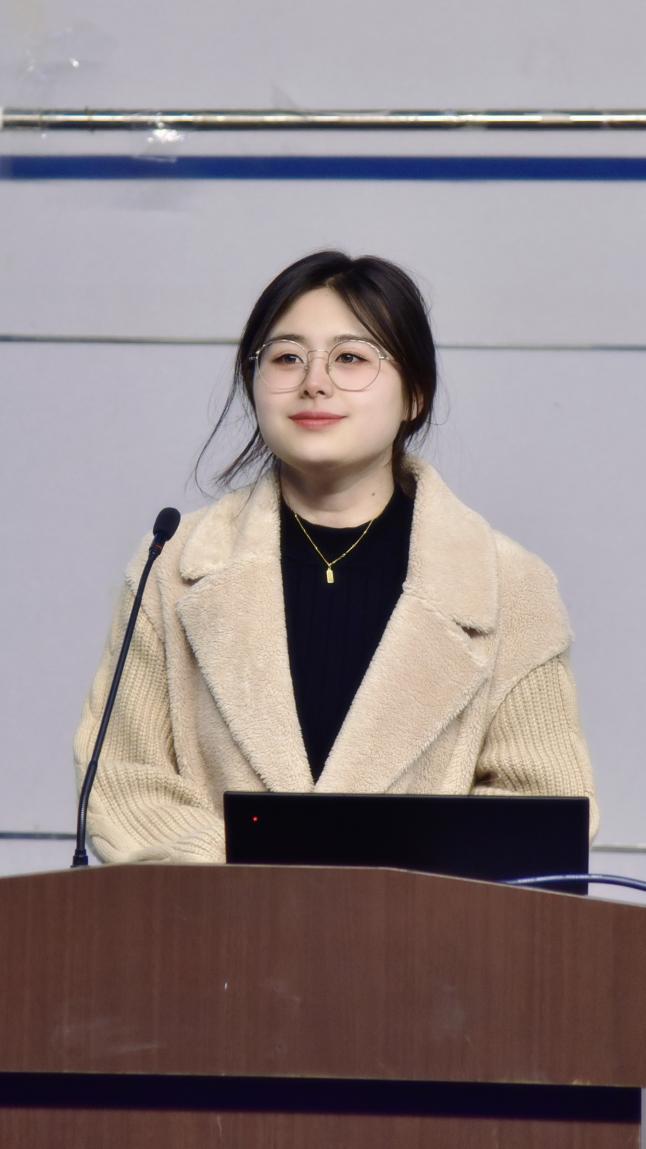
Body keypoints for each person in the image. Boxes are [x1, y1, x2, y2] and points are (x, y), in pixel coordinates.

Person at [74, 250, 598, 863]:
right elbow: (124, 780)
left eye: (350, 358)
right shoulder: (172, 564)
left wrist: (374, 890)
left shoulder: (508, 584)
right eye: (286, 357)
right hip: (218, 918)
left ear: (415, 395)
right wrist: (258, 875)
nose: (314, 382)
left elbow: (540, 804)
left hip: (422, 925)